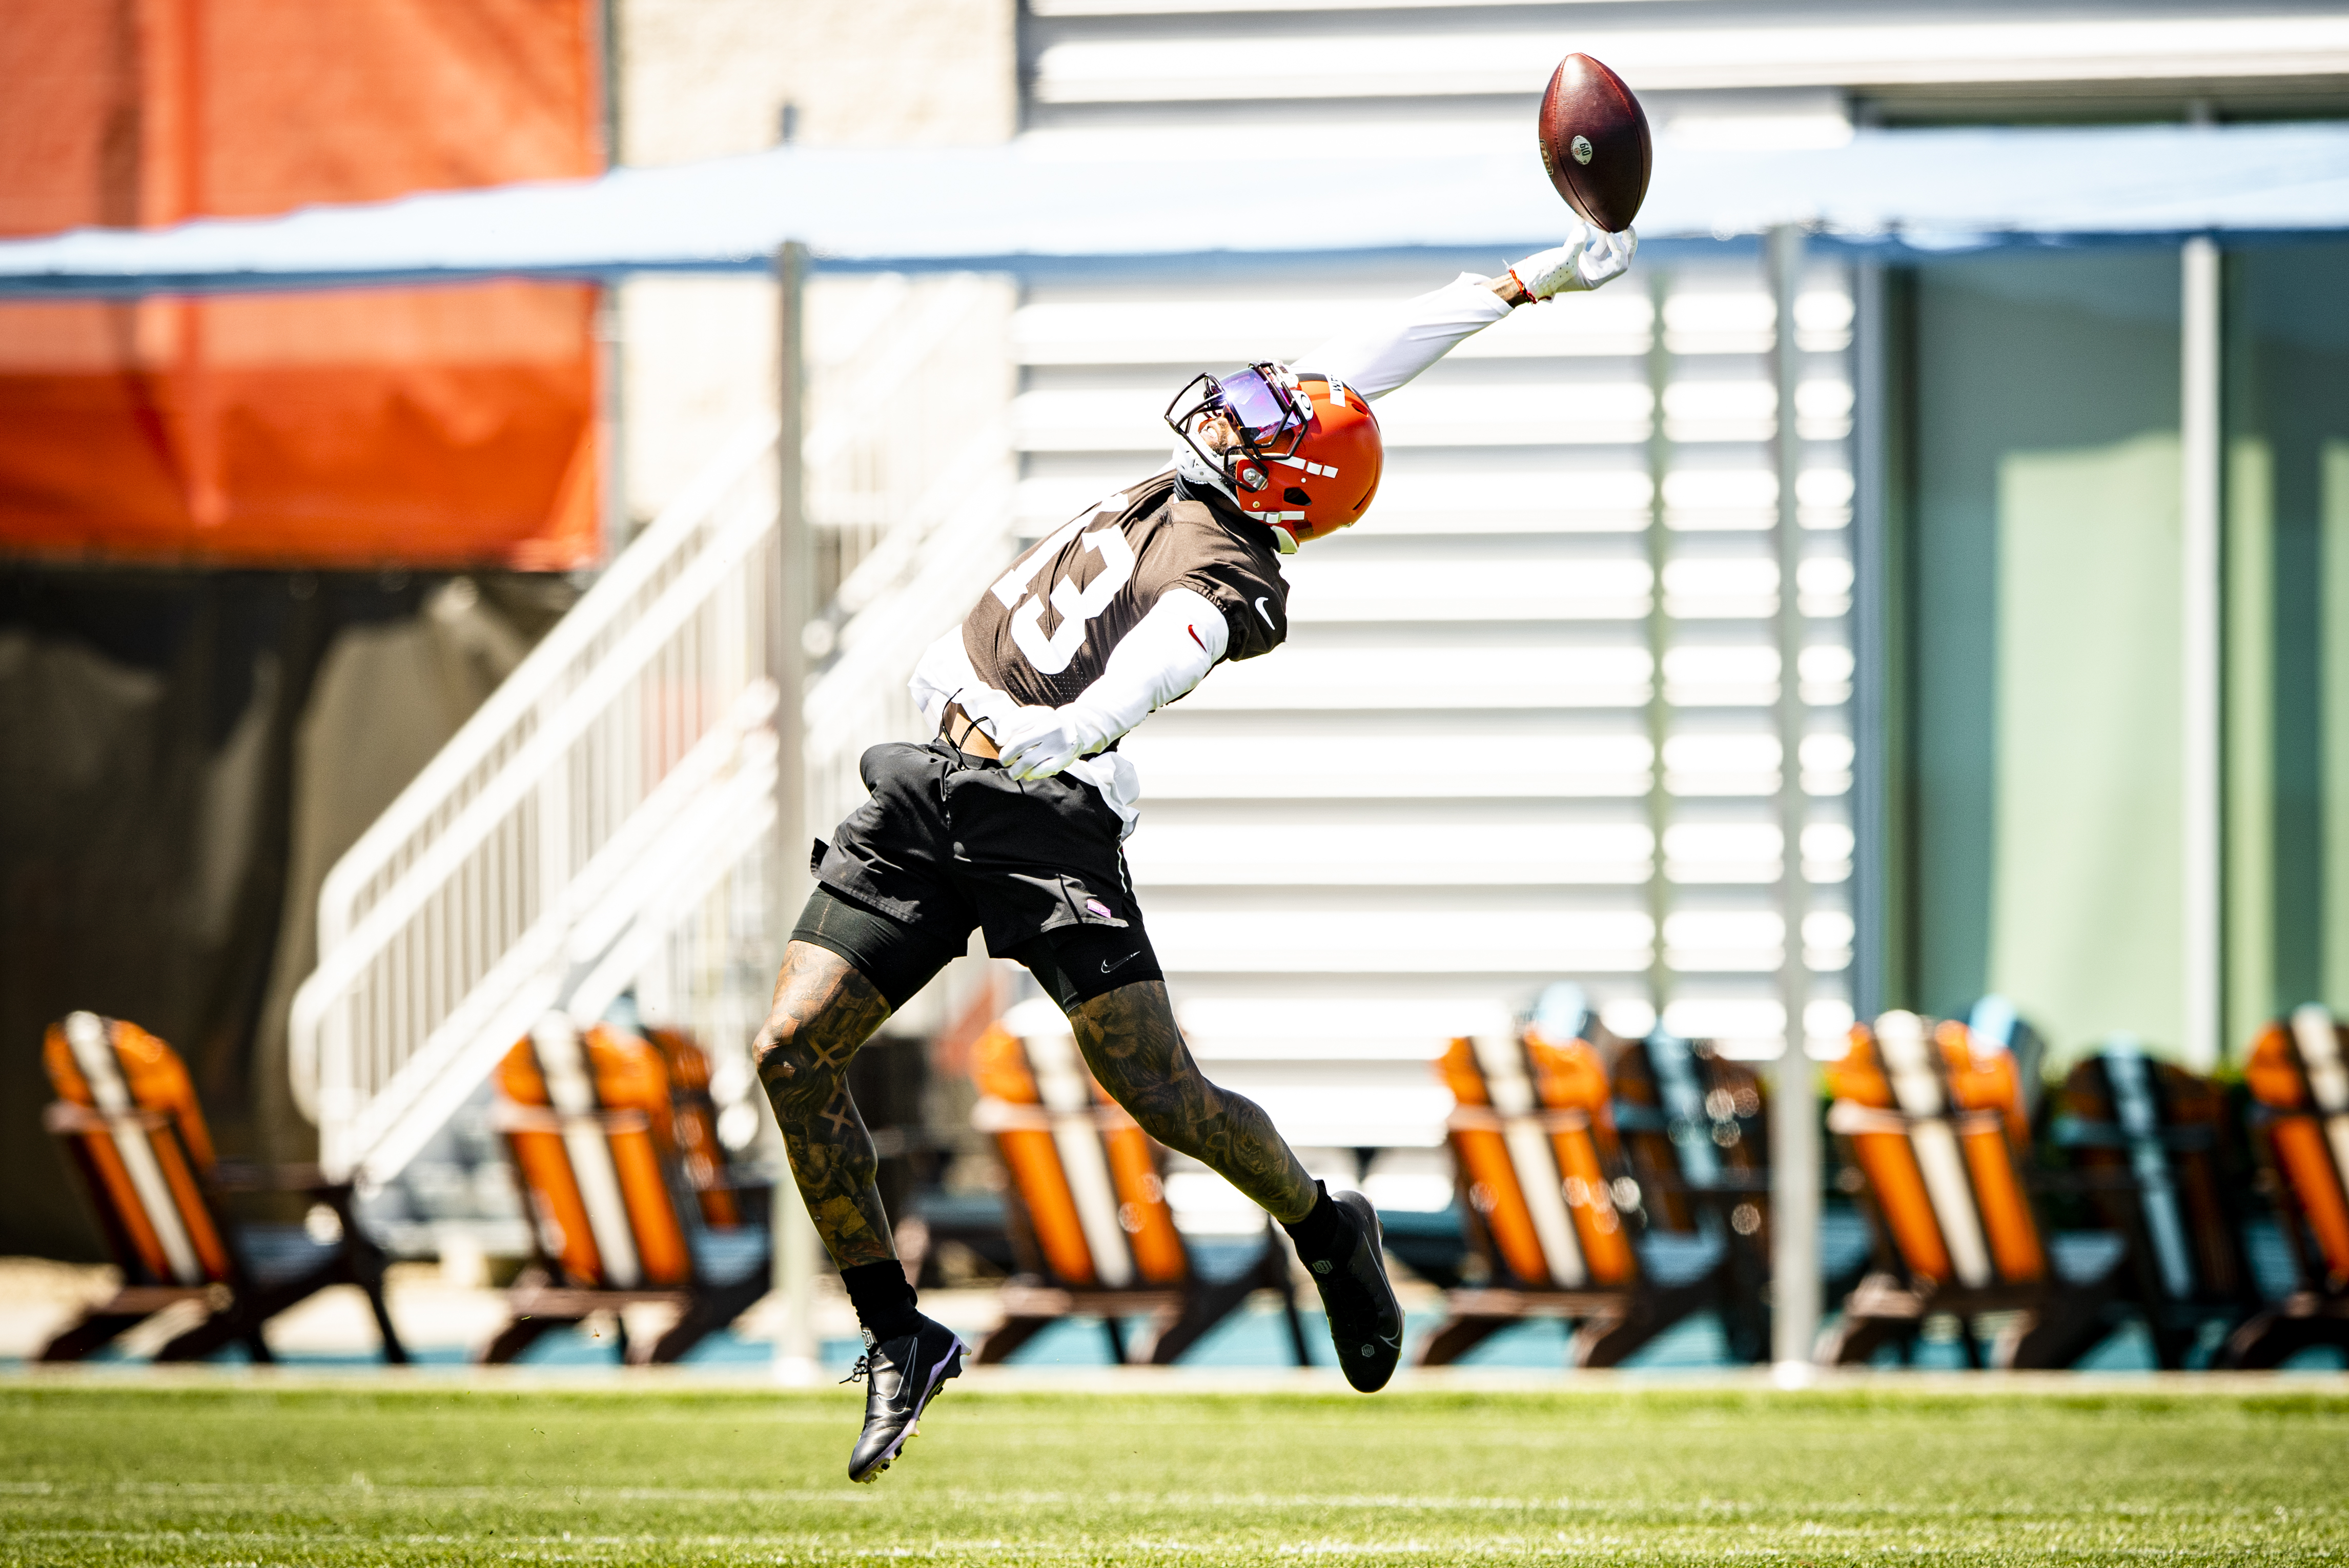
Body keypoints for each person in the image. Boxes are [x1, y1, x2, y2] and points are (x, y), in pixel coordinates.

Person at [753, 222, 1639, 1482]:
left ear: (1276, 491)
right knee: (792, 1049)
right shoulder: (1236, 472)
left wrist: (1062, 729)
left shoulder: (1228, 560)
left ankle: (1327, 1226)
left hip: (1043, 812)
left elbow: (1174, 646)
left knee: (1162, 1096)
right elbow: (1362, 370)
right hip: (927, 785)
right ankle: (900, 1333)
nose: (1233, 419)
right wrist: (1526, 280)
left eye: (1257, 433)